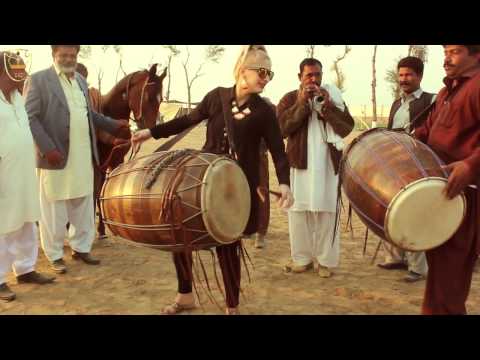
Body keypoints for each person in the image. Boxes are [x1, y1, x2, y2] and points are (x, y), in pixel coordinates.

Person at [132, 45, 293, 314]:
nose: (266, 78)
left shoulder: (265, 111)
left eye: (270, 73)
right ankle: (185, 296)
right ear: (243, 71)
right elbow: (184, 122)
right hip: (203, 180)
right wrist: (150, 132)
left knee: (228, 245)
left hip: (236, 189)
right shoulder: (216, 98)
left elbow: (278, 150)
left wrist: (285, 184)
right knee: (181, 234)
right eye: (262, 71)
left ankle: (232, 306)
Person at [24, 45, 130, 275]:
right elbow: (29, 117)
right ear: (54, 55)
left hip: (82, 154)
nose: (68, 59)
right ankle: (54, 255)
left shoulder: (80, 81)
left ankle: (81, 248)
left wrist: (114, 125)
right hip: (55, 156)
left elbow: (88, 114)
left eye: (72, 55)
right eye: (63, 55)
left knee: (82, 202)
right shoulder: (39, 80)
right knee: (53, 207)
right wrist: (46, 148)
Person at [414, 45, 480, 315]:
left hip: (464, 197)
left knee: (449, 285)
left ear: (476, 54)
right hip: (441, 195)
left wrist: (470, 165)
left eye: (454, 51)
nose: (446, 57)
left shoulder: (477, 87)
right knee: (440, 278)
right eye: (445, 50)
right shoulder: (445, 92)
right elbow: (426, 132)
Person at [277, 58, 354, 278]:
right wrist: (301, 104)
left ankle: (325, 262)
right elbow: (282, 128)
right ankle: (301, 259)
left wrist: (327, 108)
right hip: (299, 164)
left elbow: (347, 127)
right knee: (298, 212)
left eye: (317, 75)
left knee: (327, 213)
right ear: (299, 76)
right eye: (309, 75)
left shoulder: (332, 97)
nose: (314, 79)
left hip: (328, 165)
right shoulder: (289, 98)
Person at [0, 51, 55, 302]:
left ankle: (26, 269)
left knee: (26, 221)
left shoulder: (17, 99)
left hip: (24, 170)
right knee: (3, 224)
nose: (21, 81)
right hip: (3, 172)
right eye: (15, 77)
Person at [378, 56, 436, 283]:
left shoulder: (432, 100)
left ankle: (418, 267)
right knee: (391, 208)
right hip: (397, 165)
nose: (404, 79)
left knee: (414, 213)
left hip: (419, 166)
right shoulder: (396, 103)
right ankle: (395, 257)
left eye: (409, 75)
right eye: (401, 75)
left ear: (419, 76)